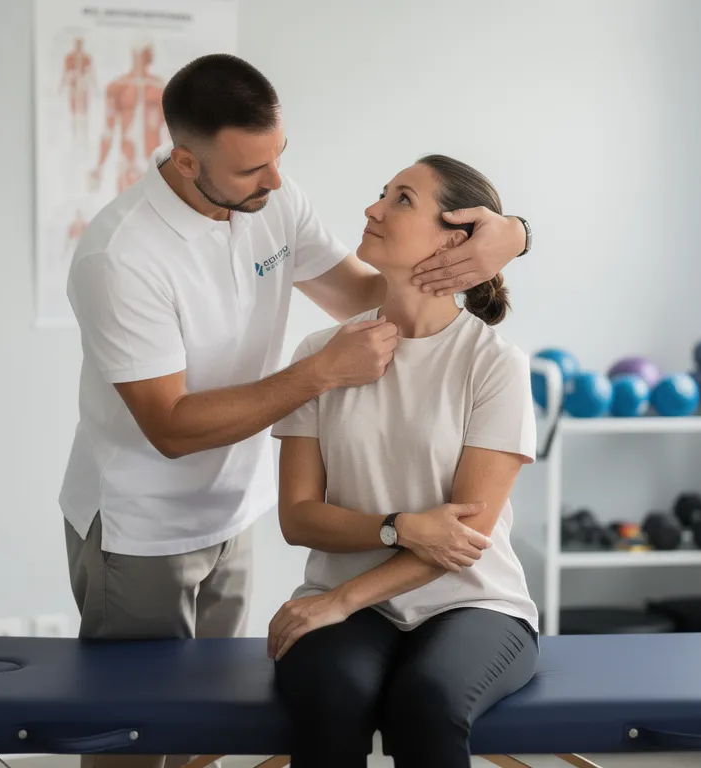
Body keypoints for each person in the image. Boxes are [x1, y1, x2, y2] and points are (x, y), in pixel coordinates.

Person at [59, 53, 533, 768]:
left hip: (231, 511)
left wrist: (513, 234)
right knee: (136, 741)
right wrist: (319, 376)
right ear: (186, 163)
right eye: (254, 169)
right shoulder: (121, 255)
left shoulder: (271, 201)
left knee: (206, 740)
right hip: (141, 523)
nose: (277, 181)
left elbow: (363, 292)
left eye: (280, 155)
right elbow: (170, 428)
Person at [267, 154, 540, 767]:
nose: (374, 209)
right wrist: (398, 528)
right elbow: (298, 517)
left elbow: (463, 539)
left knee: (428, 701)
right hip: (343, 596)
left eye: (402, 200)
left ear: (455, 240)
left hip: (473, 602)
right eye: (383, 193)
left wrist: (342, 600)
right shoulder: (321, 354)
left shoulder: (494, 364)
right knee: (332, 697)